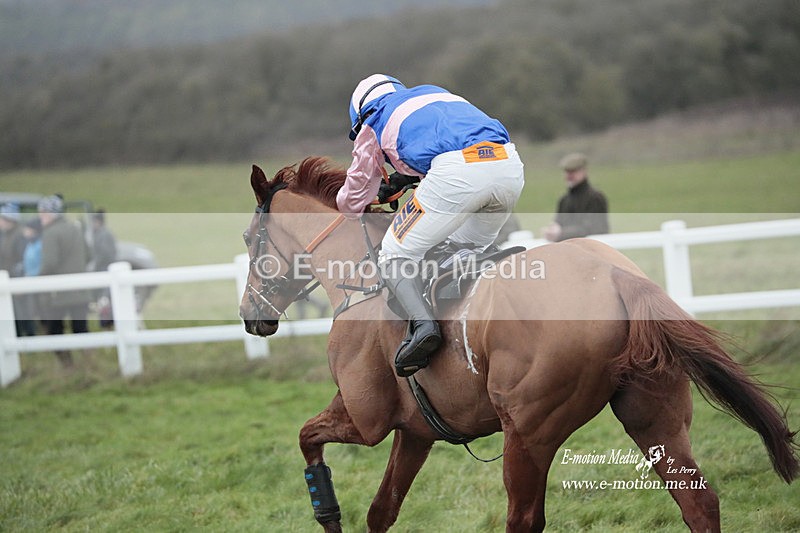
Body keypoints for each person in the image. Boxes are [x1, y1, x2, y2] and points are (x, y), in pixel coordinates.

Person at [337, 74, 525, 377]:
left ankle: (425, 328)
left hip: (458, 174)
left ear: (360, 115)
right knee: (462, 250)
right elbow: (450, 145)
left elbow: (356, 194)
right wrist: (408, 177)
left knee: (394, 253)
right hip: (508, 166)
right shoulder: (434, 94)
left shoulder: (374, 118)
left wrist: (349, 202)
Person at [37, 195, 92, 367]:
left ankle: (68, 366)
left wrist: (37, 279)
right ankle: (89, 364)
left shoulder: (50, 233)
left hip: (58, 294)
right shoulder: (75, 228)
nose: (40, 216)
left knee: (55, 331)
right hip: (81, 290)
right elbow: (89, 255)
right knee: (81, 330)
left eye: (42, 212)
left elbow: (50, 263)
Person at [542, 152, 609, 242]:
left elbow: (593, 229)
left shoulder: (595, 198)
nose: (569, 176)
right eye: (567, 172)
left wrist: (561, 233)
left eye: (573, 172)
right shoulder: (564, 200)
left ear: (584, 171)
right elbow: (559, 223)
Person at [0, 203, 29, 335]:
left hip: (16, 280)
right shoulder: (7, 235)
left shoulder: (19, 235)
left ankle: (27, 339)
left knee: (21, 313)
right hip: (9, 278)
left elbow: (22, 260)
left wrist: (20, 281)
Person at [90, 209, 117, 327]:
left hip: (104, 269)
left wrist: (96, 263)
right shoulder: (101, 233)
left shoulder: (103, 235)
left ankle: (107, 322)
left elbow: (106, 254)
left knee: (105, 299)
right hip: (103, 268)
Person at [18, 218, 43, 336]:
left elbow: (40, 265)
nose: (25, 232)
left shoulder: (40, 245)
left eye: (28, 230)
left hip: (37, 283)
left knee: (39, 312)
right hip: (28, 282)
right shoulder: (30, 244)